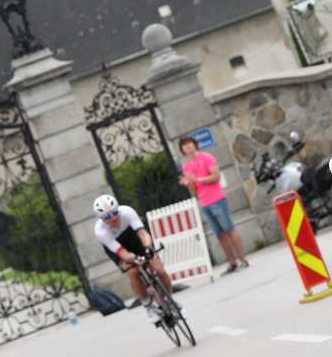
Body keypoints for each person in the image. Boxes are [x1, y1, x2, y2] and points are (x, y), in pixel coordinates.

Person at [92, 194, 176, 323]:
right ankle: (148, 305)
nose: (113, 218)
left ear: (118, 209)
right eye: (107, 217)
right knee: (133, 272)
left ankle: (170, 300)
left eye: (115, 213)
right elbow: (122, 252)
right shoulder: (100, 231)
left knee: (159, 269)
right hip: (118, 246)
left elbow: (143, 233)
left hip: (133, 237)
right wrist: (134, 259)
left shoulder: (127, 212)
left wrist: (147, 248)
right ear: (101, 219)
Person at [177, 136, 250, 274]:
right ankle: (232, 262)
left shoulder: (207, 157)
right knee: (220, 234)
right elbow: (194, 189)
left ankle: (243, 259)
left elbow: (216, 176)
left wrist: (198, 179)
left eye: (189, 143)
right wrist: (188, 184)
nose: (188, 146)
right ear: (182, 150)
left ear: (195, 144)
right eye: (184, 145)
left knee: (229, 230)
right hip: (204, 203)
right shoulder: (186, 166)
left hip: (217, 199)